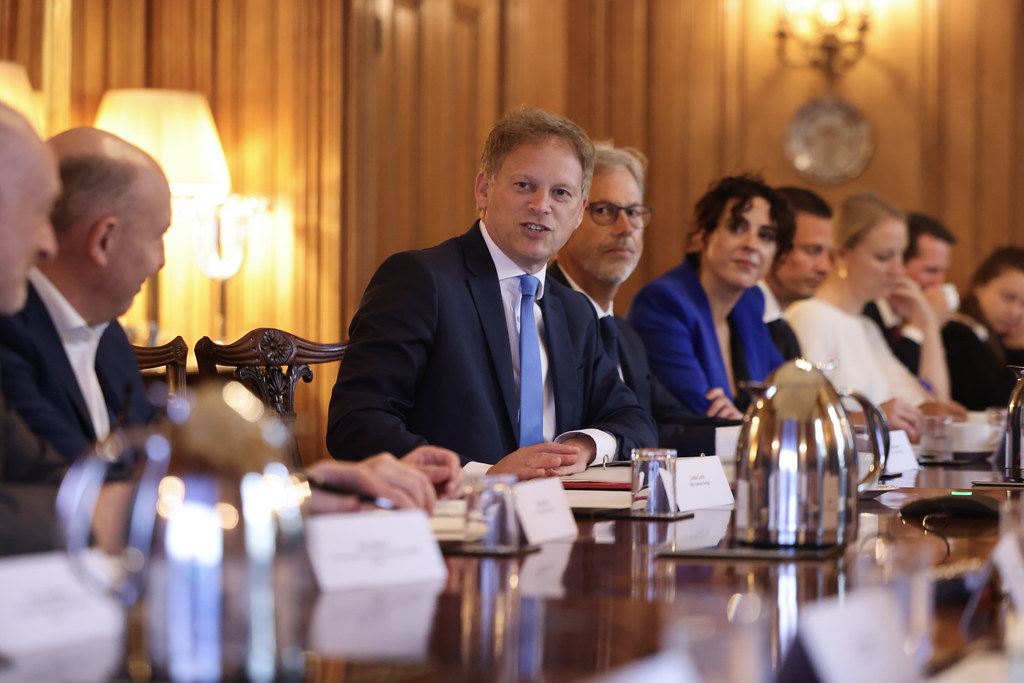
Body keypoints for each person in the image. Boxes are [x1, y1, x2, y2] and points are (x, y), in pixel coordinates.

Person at [326, 108, 656, 478]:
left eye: (560, 193)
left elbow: (635, 420)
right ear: (484, 190)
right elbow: (357, 423)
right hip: (454, 519)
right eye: (524, 186)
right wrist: (483, 476)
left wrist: (583, 446)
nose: (542, 205)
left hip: (563, 517)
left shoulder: (574, 310)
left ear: (578, 213)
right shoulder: (421, 281)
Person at [549, 141, 731, 456]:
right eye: (604, 211)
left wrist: (738, 430)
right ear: (571, 215)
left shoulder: (624, 334)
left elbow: (653, 425)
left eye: (633, 211)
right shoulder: (540, 314)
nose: (626, 228)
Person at [0, 128, 167, 463]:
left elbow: (158, 455)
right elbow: (72, 479)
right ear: (104, 240)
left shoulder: (108, 333)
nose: (160, 260)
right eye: (158, 236)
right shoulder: (8, 330)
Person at [785, 193, 962, 442]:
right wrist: (872, 418)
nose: (897, 271)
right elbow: (799, 424)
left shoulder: (866, 327)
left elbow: (933, 406)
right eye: (883, 257)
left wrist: (928, 326)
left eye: (900, 256)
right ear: (841, 255)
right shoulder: (811, 317)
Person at [628, 174, 794, 419]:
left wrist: (747, 420)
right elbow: (705, 414)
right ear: (704, 234)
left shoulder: (751, 301)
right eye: (737, 228)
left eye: (766, 236)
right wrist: (756, 422)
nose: (752, 244)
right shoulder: (663, 303)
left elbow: (788, 395)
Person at [864, 211, 958, 374]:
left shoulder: (901, 317)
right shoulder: (866, 314)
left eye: (943, 271)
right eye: (931, 270)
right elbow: (898, 384)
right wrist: (920, 328)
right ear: (900, 264)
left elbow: (935, 393)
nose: (939, 282)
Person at [943, 247, 1024, 410]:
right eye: (1009, 297)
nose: (1016, 312)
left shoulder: (994, 336)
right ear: (979, 287)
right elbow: (995, 405)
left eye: (1023, 304)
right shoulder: (959, 333)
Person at [759, 186, 834, 359]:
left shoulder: (784, 327)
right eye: (812, 251)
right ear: (773, 244)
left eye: (828, 254)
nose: (824, 268)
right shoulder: (738, 316)